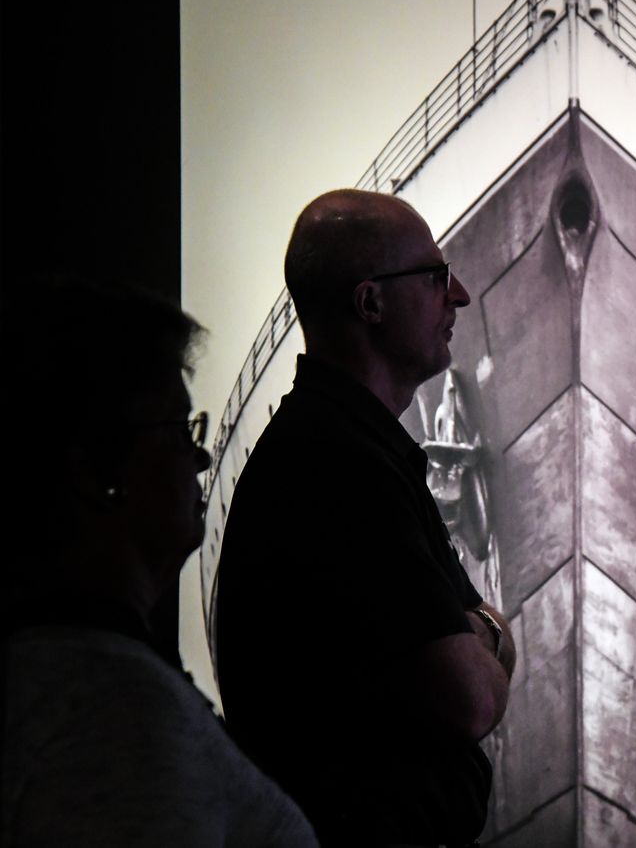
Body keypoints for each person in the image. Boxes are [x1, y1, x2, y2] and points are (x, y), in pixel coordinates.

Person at [214, 189, 516, 848]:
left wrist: (473, 636)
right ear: (371, 302)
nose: (459, 294)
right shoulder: (339, 467)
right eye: (435, 278)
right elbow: (471, 699)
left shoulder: (345, 450)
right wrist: (488, 631)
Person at [1, 277, 318, 848]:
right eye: (178, 429)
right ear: (97, 470)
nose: (199, 455)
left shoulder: (57, 677)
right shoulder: (111, 714)